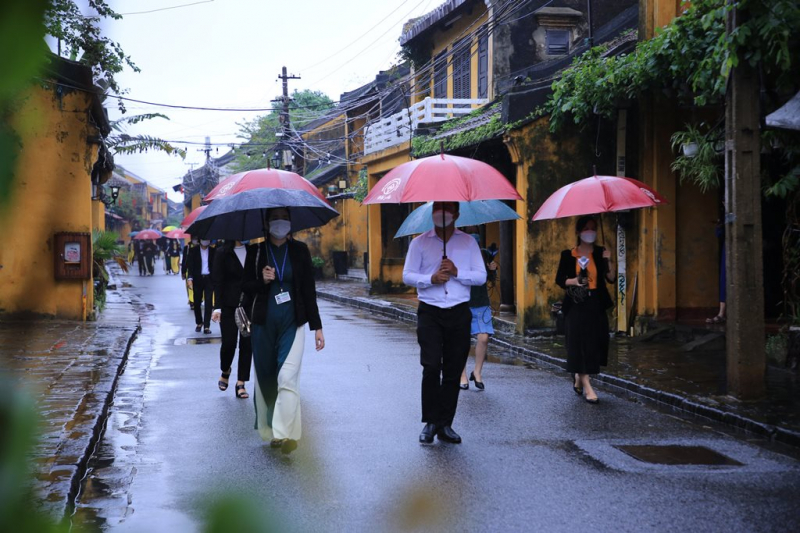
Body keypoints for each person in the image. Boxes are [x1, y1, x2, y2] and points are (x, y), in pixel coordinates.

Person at [402, 202, 487, 445]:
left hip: (459, 311)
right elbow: (407, 275)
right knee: (430, 366)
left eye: (447, 209)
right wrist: (431, 278)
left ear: (456, 214)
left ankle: (445, 424)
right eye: (437, 208)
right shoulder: (419, 243)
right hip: (430, 311)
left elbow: (481, 277)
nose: (441, 213)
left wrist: (458, 271)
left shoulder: (469, 243)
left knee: (452, 369)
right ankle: (430, 422)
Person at [242, 208, 325, 455]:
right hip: (263, 324)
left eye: (286, 218)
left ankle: (285, 433)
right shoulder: (256, 252)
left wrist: (317, 326)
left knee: (287, 377)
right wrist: (262, 279)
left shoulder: (299, 251)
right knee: (267, 378)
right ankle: (271, 429)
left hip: (293, 322)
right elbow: (245, 287)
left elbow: (309, 290)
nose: (281, 223)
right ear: (267, 223)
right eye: (276, 218)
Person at [555, 216, 615, 404]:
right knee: (578, 343)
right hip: (575, 303)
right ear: (579, 232)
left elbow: (611, 278)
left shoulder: (600, 252)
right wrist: (574, 281)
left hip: (596, 302)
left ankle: (578, 377)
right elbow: (560, 280)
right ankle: (587, 385)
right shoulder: (568, 254)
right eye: (587, 229)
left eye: (593, 228)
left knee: (595, 342)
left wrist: (610, 260)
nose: (591, 232)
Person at [211, 240, 253, 399]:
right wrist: (217, 307)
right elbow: (218, 281)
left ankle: (241, 382)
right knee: (229, 343)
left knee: (246, 344)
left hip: (247, 306)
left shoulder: (253, 251)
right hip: (228, 306)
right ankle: (225, 369)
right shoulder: (222, 252)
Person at [460, 227, 497, 391]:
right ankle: (462, 374)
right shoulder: (456, 256)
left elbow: (490, 280)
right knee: (461, 341)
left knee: (483, 338)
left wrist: (493, 270)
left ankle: (477, 372)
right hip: (461, 302)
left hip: (481, 302)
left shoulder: (484, 255)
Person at [186, 239, 216, 333]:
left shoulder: (213, 251)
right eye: (204, 239)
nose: (205, 241)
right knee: (197, 302)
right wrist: (190, 278)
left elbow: (215, 266)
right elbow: (190, 266)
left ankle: (207, 326)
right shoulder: (193, 251)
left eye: (207, 239)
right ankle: (199, 322)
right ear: (200, 240)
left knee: (208, 302)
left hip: (209, 279)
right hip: (197, 279)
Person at [707, 221, 726, 324]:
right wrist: (719, 227)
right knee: (724, 282)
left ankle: (722, 314)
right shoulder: (725, 217)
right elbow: (719, 234)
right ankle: (721, 313)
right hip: (727, 250)